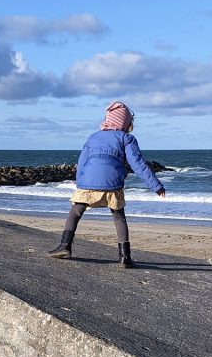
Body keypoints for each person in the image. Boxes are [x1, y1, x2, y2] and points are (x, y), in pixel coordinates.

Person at [47, 100, 166, 267]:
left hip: (87, 184)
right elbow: (137, 164)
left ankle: (64, 246)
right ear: (125, 122)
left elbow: (82, 162)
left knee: (75, 213)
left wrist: (80, 183)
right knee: (119, 218)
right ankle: (124, 257)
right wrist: (156, 186)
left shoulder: (93, 137)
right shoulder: (127, 139)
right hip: (112, 184)